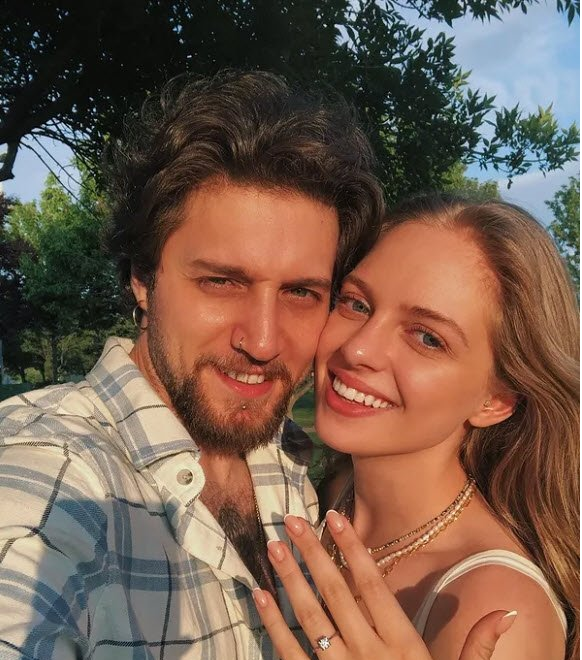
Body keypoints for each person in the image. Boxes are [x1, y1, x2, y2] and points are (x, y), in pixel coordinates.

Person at [0, 70, 383, 660]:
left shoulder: (286, 455)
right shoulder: (52, 488)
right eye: (222, 282)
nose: (263, 342)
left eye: (301, 292)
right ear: (142, 279)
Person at [253, 194, 579, 660]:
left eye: (427, 337)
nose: (358, 349)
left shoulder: (492, 611)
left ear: (496, 400)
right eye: (356, 304)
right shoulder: (319, 489)